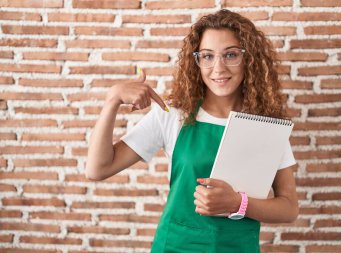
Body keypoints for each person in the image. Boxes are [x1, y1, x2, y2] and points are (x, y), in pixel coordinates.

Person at [86, 9, 298, 253]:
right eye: (207, 56)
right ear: (196, 61)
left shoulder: (267, 126)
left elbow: (289, 207)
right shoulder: (173, 114)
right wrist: (112, 100)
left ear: (248, 58)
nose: (218, 68)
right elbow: (97, 169)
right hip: (175, 246)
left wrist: (238, 203)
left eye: (230, 55)